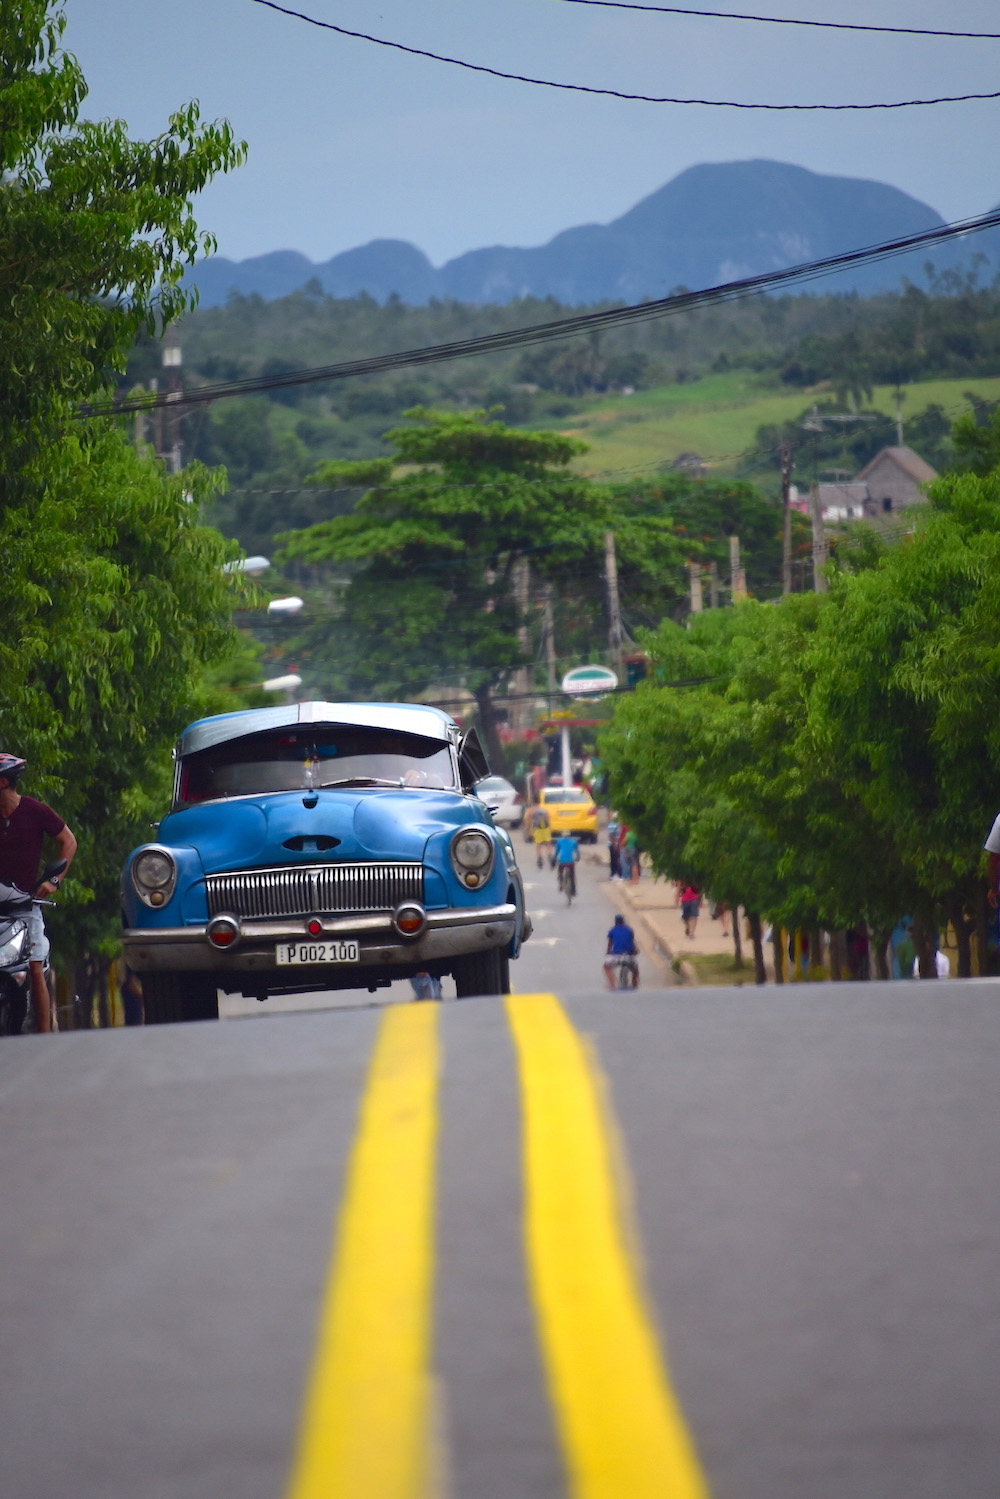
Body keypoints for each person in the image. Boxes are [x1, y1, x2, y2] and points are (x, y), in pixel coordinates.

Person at [0, 753, 77, 1033]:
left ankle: (44, 1037)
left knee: (34, 968)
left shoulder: (34, 810)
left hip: (25, 904)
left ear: (4, 782)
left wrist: (55, 879)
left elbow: (68, 841)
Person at [604, 914, 639, 989]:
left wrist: (608, 952)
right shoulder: (629, 930)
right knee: (635, 970)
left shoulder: (612, 930)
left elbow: (610, 944)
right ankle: (634, 983)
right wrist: (635, 951)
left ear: (615, 922)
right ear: (623, 921)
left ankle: (612, 984)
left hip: (617, 956)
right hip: (629, 955)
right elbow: (632, 942)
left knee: (606, 967)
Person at [553, 831, 580, 898]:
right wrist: (578, 858)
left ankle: (561, 884)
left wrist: (554, 858)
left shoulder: (559, 841)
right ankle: (573, 891)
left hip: (562, 861)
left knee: (560, 872)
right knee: (572, 876)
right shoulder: (574, 841)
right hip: (570, 862)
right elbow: (577, 852)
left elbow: (556, 852)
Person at [606, 816, 622, 880]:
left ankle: (615, 873)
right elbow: (611, 835)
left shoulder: (617, 824)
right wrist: (614, 845)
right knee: (614, 860)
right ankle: (613, 873)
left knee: (616, 859)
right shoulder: (612, 825)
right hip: (613, 845)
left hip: (616, 844)